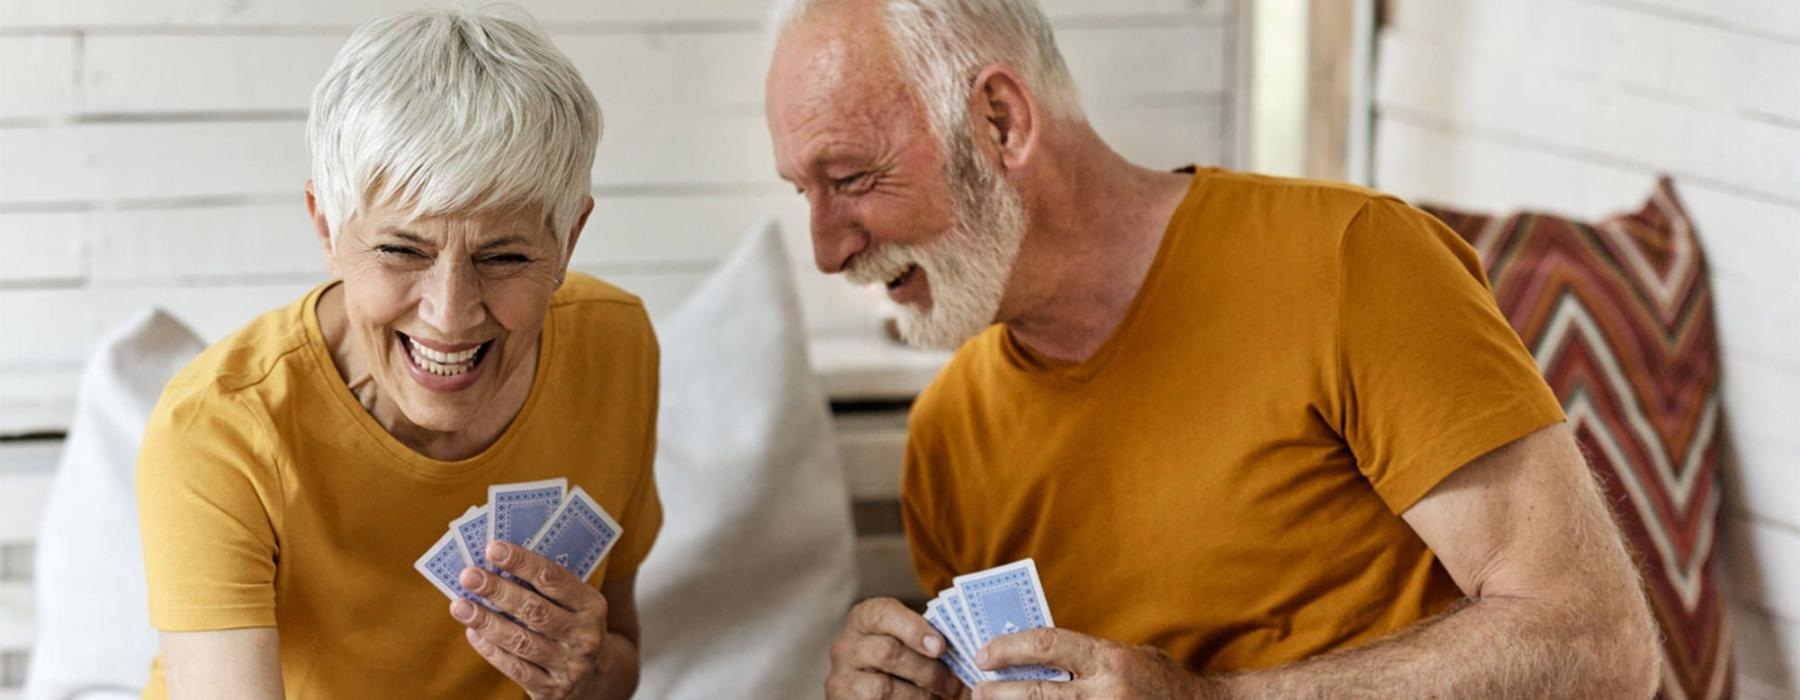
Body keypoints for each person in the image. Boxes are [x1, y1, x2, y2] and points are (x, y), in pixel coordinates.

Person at [763, 0, 1661, 697]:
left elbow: (1596, 644)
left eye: (851, 179)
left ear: (1000, 120)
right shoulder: (950, 433)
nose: (829, 248)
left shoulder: (1353, 260)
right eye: (806, 192)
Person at [135, 8, 660, 698]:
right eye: (400, 250)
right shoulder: (221, 429)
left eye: (503, 255)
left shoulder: (615, 347)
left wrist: (585, 673)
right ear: (327, 227)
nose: (449, 313)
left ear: (568, 240)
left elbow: (619, 665)